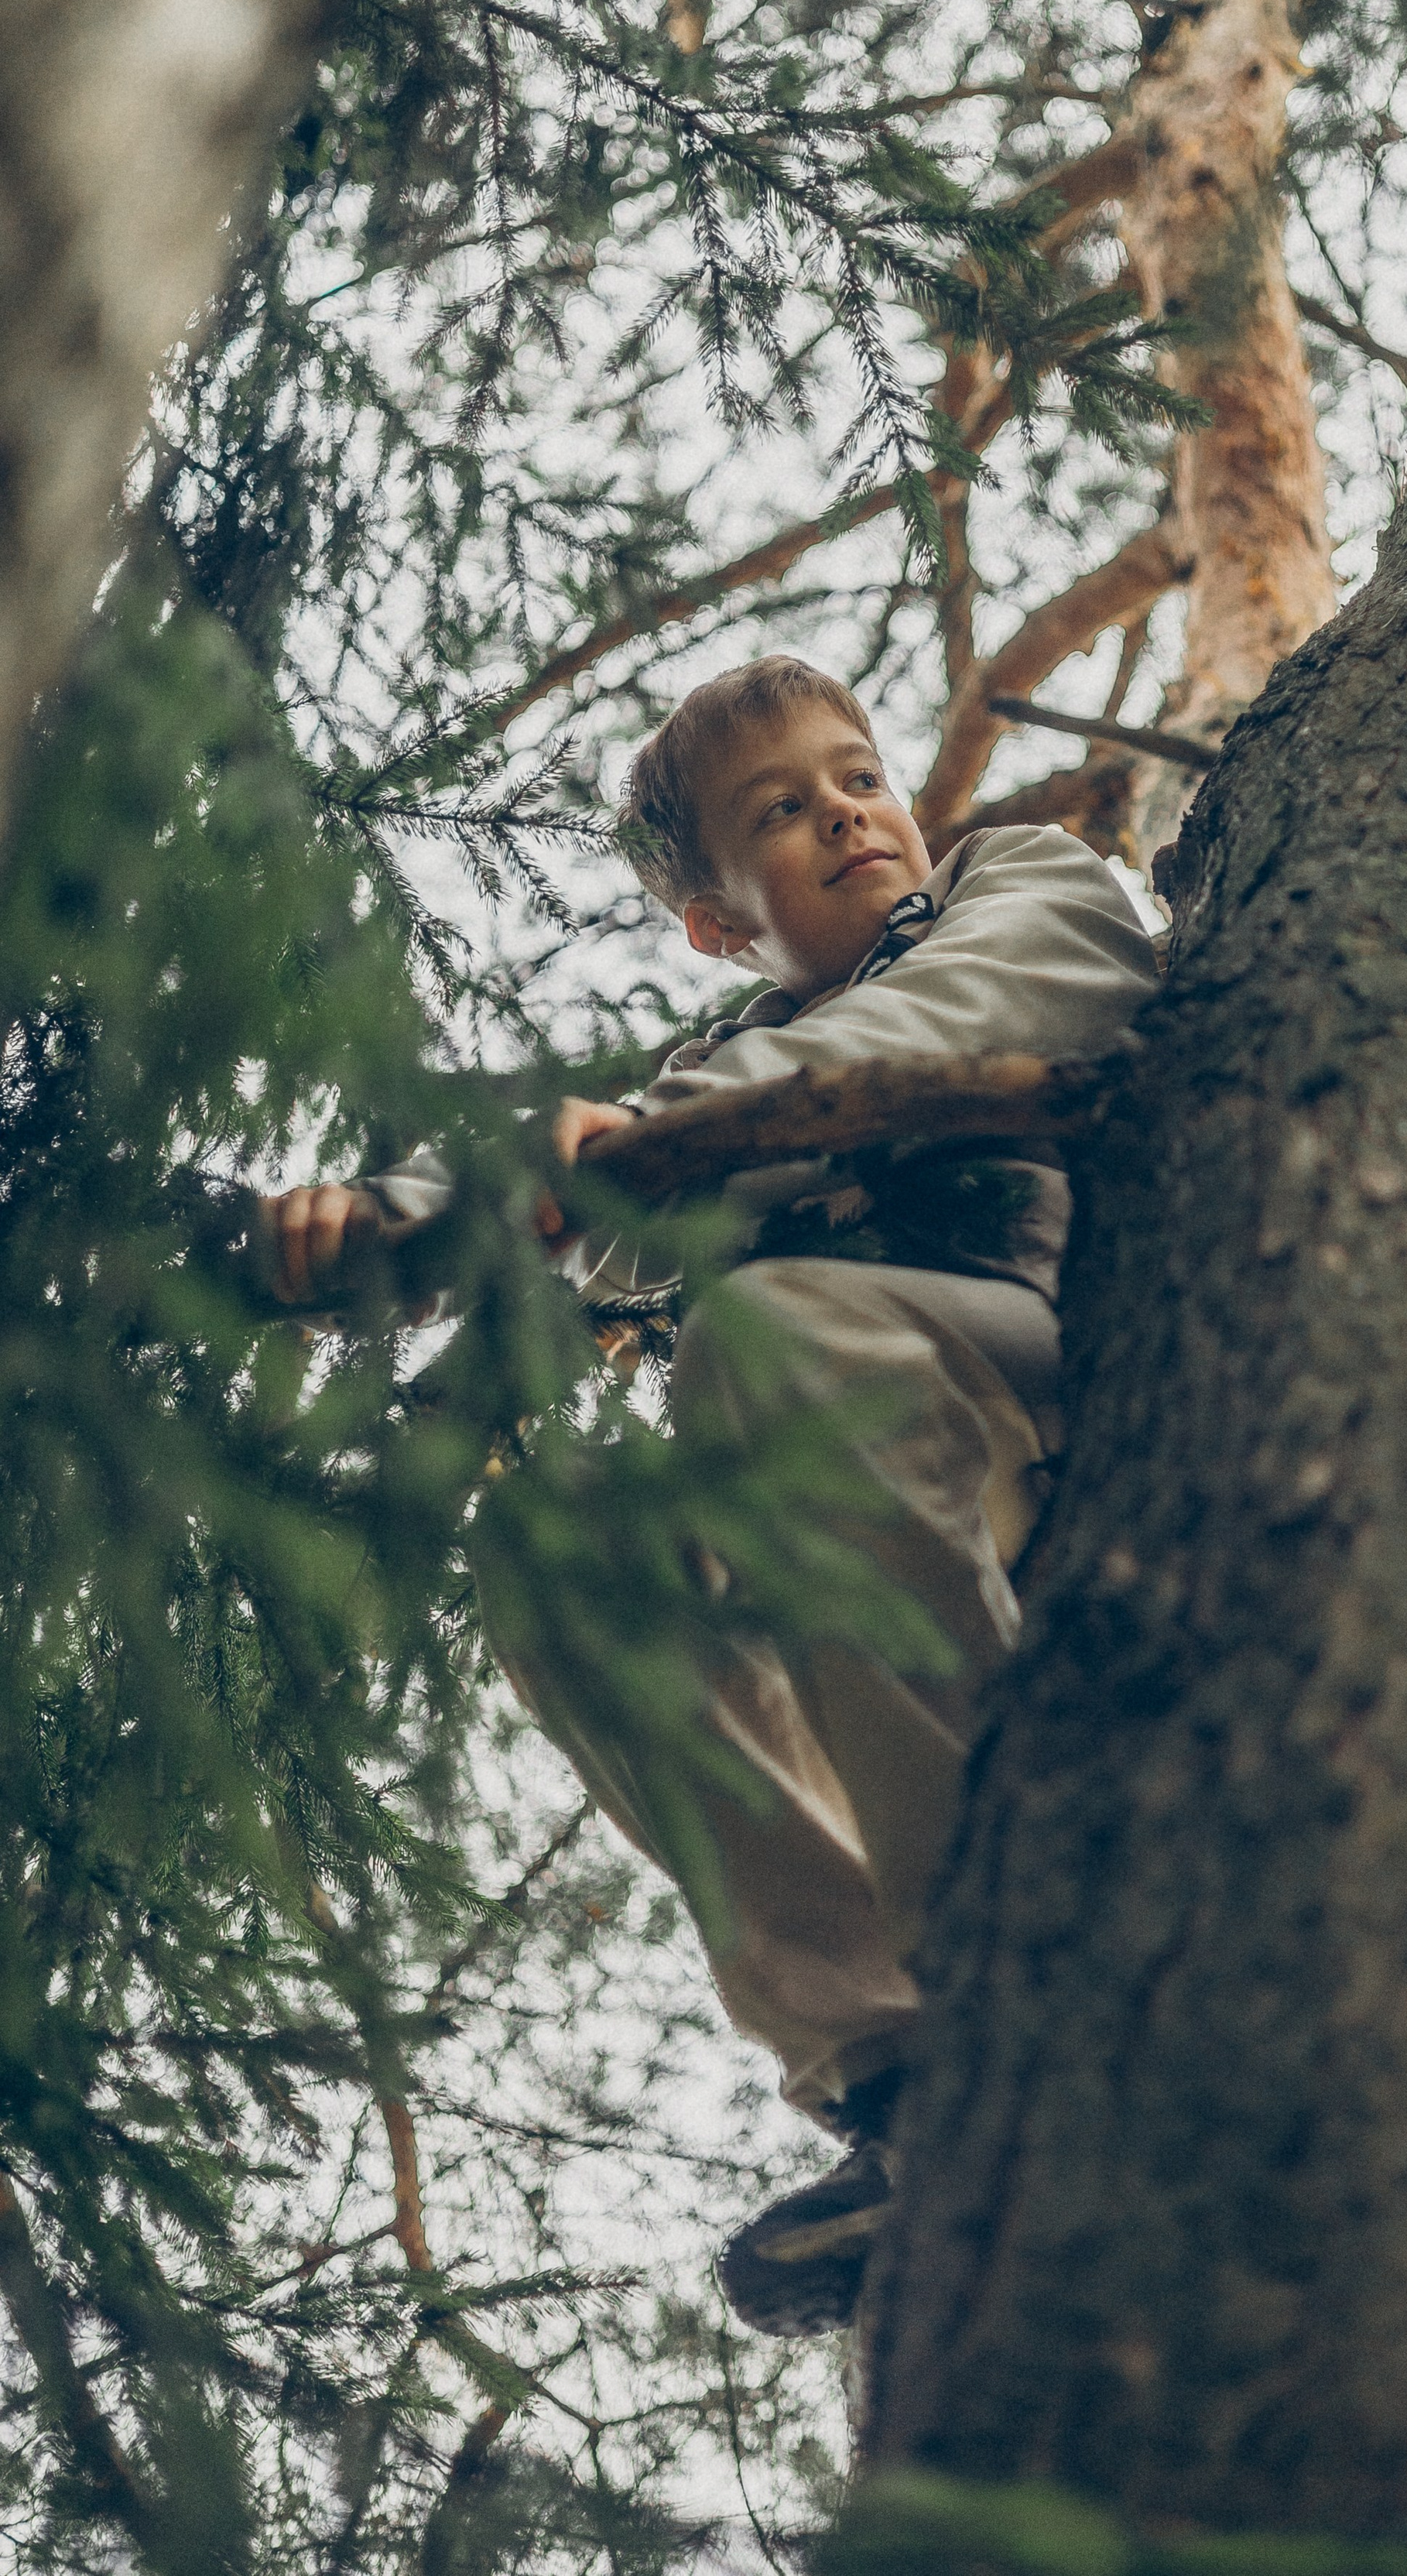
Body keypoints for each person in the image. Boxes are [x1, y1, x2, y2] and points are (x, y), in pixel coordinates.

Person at [265, 656, 1159, 2329]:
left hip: (1051, 1394)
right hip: (860, 1490)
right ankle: (897, 2075)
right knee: (564, 1544)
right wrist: (361, 1221)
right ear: (715, 922)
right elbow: (566, 1182)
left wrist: (653, 1142)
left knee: (771, 1323)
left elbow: (965, 1017)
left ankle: (1023, 1977)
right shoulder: (725, 1057)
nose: (846, 814)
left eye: (859, 776)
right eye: (781, 811)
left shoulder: (1018, 883)